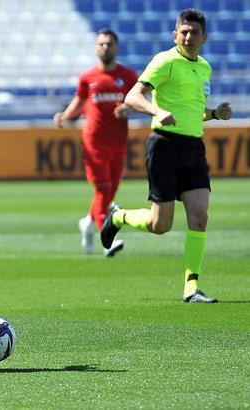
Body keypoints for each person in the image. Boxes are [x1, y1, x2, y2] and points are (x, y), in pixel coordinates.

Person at [103, 8, 232, 303]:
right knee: (160, 226)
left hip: (194, 148)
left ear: (204, 37)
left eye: (194, 32)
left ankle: (191, 287)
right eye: (183, 32)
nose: (188, 36)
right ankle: (119, 216)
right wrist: (156, 110)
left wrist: (214, 114)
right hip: (164, 145)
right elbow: (133, 96)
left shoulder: (205, 68)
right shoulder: (164, 62)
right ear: (175, 35)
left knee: (199, 217)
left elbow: (190, 114)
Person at [54, 29, 137, 257]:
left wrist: (129, 107)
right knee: (103, 189)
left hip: (118, 141)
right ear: (95, 47)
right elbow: (80, 100)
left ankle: (88, 222)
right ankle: (107, 239)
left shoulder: (128, 76)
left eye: (109, 44)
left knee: (110, 190)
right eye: (101, 44)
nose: (105, 47)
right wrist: (65, 116)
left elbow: (138, 98)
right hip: (94, 141)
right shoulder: (87, 77)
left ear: (117, 47)